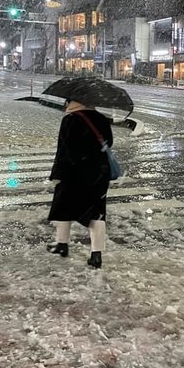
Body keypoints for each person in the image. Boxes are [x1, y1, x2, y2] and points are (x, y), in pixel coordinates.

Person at [47, 99, 114, 269]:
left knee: (64, 207)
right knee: (97, 212)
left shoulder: (70, 119)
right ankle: (96, 254)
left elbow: (63, 148)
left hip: (74, 171)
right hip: (98, 172)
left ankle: (62, 244)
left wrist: (57, 173)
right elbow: (109, 143)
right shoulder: (101, 119)